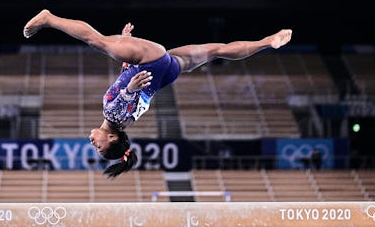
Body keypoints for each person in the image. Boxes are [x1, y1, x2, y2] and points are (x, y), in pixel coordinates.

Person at [23, 9, 292, 178]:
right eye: (99, 145)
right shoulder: (112, 115)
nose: (92, 142)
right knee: (97, 41)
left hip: (167, 72)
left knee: (216, 51)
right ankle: (49, 18)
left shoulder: (122, 121)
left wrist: (126, 46)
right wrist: (129, 77)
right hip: (152, 62)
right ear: (112, 137)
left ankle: (267, 41)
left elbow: (128, 92)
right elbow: (124, 97)